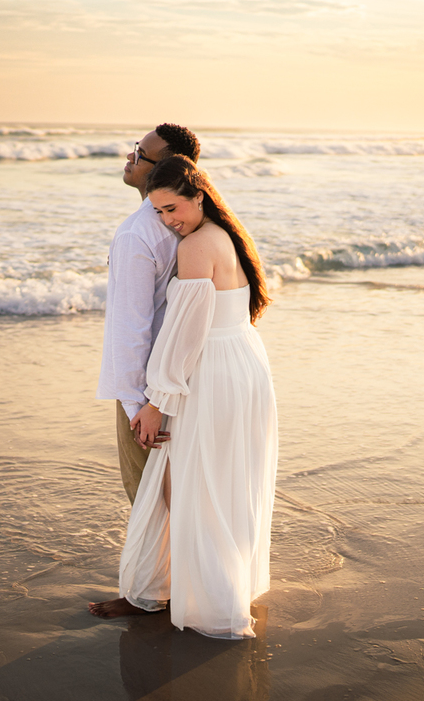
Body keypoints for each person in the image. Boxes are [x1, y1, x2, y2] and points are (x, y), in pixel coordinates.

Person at [89, 155, 278, 639]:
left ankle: (208, 597)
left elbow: (185, 332)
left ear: (198, 195)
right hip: (243, 364)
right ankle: (217, 586)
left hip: (210, 372)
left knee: (190, 486)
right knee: (221, 480)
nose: (169, 220)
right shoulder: (227, 235)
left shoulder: (195, 247)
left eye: (174, 208)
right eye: (159, 213)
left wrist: (157, 401)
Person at [97, 124, 201, 504]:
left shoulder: (137, 233)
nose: (130, 157)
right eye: (135, 148)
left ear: (163, 168)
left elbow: (132, 329)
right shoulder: (189, 224)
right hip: (185, 381)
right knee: (180, 497)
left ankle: (160, 567)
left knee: (147, 502)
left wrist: (134, 407)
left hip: (145, 395)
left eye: (140, 154)